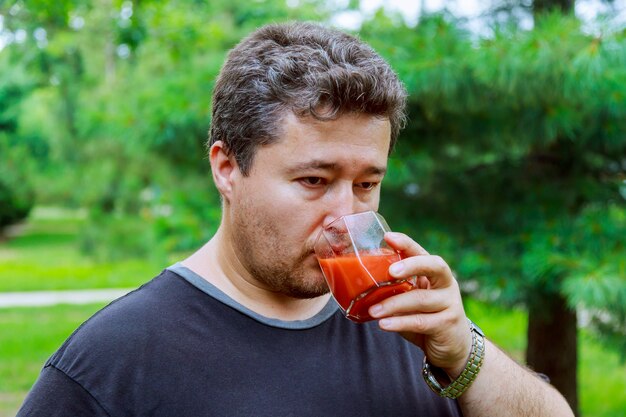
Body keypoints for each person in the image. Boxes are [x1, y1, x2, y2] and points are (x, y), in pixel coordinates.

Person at [18, 22, 574, 417]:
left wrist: (464, 350)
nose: (346, 216)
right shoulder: (113, 362)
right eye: (313, 181)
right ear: (228, 167)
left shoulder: (412, 326)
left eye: (367, 184)